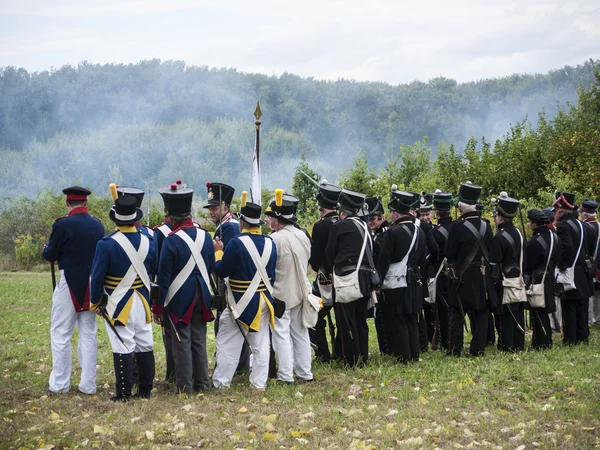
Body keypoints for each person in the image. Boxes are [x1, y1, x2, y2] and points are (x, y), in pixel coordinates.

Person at [90, 191, 157, 401]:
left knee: (123, 344)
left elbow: (97, 277)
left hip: (119, 302)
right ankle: (145, 390)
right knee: (145, 343)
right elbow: (152, 269)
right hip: (143, 300)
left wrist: (95, 302)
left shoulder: (106, 243)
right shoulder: (149, 240)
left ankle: (124, 393)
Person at [152, 184, 215, 394]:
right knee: (199, 339)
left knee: (182, 341)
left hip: (180, 298)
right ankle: (203, 383)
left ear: (171, 216)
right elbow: (211, 266)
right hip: (202, 295)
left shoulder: (171, 241)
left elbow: (163, 277)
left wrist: (158, 307)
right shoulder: (205, 236)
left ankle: (185, 387)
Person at [42, 186, 105, 395]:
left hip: (68, 281)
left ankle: (59, 385)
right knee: (88, 334)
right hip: (92, 284)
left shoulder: (61, 225)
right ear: (86, 203)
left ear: (67, 204)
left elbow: (50, 255)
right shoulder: (98, 225)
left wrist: (45, 249)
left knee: (61, 334)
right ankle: (88, 385)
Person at [212, 197, 277, 390]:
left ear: (242, 223)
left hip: (241, 301)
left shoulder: (236, 243)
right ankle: (258, 384)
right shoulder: (270, 242)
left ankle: (221, 383)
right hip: (265, 300)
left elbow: (222, 270)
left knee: (228, 342)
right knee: (261, 343)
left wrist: (218, 253)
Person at [266, 190, 313, 383]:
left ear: (277, 219)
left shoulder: (275, 239)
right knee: (300, 333)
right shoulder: (302, 235)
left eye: (270, 217)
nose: (268, 221)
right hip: (301, 290)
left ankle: (286, 375)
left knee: (281, 335)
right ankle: (304, 372)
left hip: (281, 292)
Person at [445, 182, 496, 357]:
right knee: (481, 313)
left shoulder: (458, 227)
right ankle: (478, 349)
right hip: (483, 276)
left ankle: (454, 350)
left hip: (463, 276)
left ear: (460, 207)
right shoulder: (487, 225)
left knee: (456, 313)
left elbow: (449, 254)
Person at [324, 188, 373, 367]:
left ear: (343, 210)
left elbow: (330, 254)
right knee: (361, 320)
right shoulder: (365, 226)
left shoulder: (339, 226)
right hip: (365, 278)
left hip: (347, 278)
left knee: (346, 322)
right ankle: (363, 357)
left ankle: (350, 360)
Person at [377, 190, 427, 363]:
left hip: (396, 279)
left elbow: (384, 260)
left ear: (395, 212)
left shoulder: (392, 232)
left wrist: (378, 281)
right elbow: (423, 257)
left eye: (391, 211)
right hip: (414, 279)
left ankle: (404, 356)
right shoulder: (420, 231)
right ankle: (415, 354)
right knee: (412, 318)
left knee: (398, 318)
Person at [152, 181, 186, 383]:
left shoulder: (159, 233)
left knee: (170, 333)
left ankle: (173, 373)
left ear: (166, 208)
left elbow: (157, 265)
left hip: (169, 289)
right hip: (188, 288)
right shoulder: (195, 230)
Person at [553, 191, 593, 344]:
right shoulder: (584, 226)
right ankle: (583, 336)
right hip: (583, 271)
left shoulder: (563, 227)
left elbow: (567, 248)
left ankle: (571, 338)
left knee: (569, 306)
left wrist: (562, 265)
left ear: (561, 210)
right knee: (582, 305)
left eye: (556, 211)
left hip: (570, 271)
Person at [308, 180, 341, 362]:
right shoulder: (343, 223)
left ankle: (323, 353)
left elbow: (316, 257)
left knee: (315, 317)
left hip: (325, 279)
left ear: (321, 207)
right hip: (344, 278)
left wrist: (316, 267)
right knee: (342, 317)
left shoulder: (321, 226)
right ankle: (338, 350)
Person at [489, 193, 527, 352]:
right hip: (518, 276)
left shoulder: (499, 237)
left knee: (505, 314)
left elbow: (495, 263)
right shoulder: (518, 232)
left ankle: (506, 345)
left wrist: (492, 281)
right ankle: (518, 343)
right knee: (517, 311)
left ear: (500, 217)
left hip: (504, 279)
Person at [524, 209, 561, 349]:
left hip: (538, 279)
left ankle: (541, 342)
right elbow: (558, 258)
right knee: (544, 311)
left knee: (538, 312)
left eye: (530, 222)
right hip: (550, 277)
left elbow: (529, 264)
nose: (528, 224)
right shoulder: (554, 236)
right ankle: (544, 340)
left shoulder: (535, 241)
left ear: (535, 224)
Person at [430, 191, 454, 351]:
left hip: (441, 275)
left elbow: (432, 255)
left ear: (437, 212)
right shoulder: (458, 227)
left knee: (443, 310)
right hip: (456, 273)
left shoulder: (436, 232)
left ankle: (446, 341)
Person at [366, 196, 390, 355]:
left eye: (373, 219)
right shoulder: (377, 233)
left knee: (384, 318)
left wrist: (378, 283)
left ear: (381, 217)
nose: (370, 222)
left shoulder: (385, 234)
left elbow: (383, 261)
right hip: (381, 280)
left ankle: (387, 349)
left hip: (386, 281)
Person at [579, 200, 600, 325]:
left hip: (589, 265)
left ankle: (590, 319)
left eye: (582, 213)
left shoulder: (585, 228)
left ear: (586, 215)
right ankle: (597, 319)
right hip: (597, 264)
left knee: (589, 294)